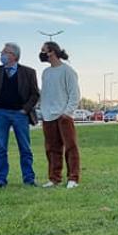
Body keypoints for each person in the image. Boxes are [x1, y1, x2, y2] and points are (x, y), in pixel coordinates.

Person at [0, 42, 40, 188]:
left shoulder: (28, 72)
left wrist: (25, 110)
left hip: (20, 114)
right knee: (1, 148)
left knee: (25, 148)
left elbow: (35, 94)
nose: (1, 53)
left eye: (5, 52)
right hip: (0, 113)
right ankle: (1, 179)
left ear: (13, 55)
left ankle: (29, 178)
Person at [38, 41, 81, 189]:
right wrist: (43, 112)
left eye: (44, 51)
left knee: (70, 147)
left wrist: (67, 113)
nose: (42, 53)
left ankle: (73, 178)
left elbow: (74, 94)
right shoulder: (46, 73)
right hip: (48, 117)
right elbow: (45, 94)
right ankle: (54, 178)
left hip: (64, 117)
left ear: (52, 52)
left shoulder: (67, 71)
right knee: (52, 149)